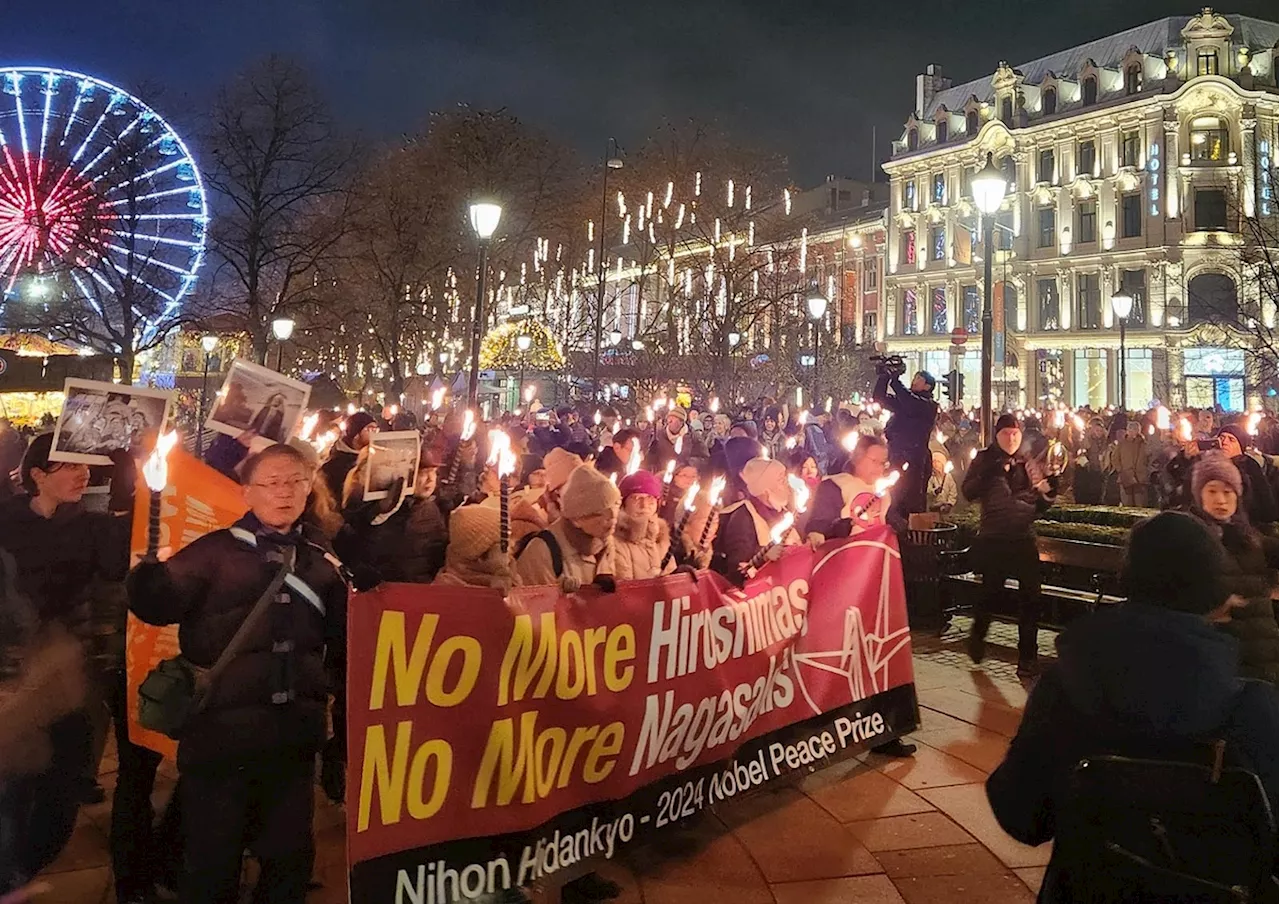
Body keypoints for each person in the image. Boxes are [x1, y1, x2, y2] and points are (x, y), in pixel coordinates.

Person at [986, 511, 1280, 904]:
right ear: (1212, 593)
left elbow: (1022, 816)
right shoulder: (1252, 709)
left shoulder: (1068, 685)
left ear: (1129, 576)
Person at [128, 443, 348, 904]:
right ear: (247, 493)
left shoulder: (321, 559)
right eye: (271, 483)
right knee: (212, 863)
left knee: (288, 859)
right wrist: (146, 577)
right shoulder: (212, 552)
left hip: (292, 740)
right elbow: (158, 607)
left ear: (309, 488)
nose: (284, 493)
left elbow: (348, 639)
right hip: (221, 741)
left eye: (294, 481)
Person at [0, 434, 132, 891]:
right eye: (69, 467)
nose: (83, 474)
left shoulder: (92, 526)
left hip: (70, 675)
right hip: (13, 675)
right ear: (37, 475)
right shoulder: (6, 522)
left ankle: (24, 867)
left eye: (85, 467)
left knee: (64, 788)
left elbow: (127, 560)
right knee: (13, 783)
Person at [962, 413, 1056, 677]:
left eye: (1016, 434)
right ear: (997, 435)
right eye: (1006, 434)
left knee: (1030, 598)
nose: (1012, 439)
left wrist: (1050, 491)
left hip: (1022, 537)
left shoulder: (1028, 463)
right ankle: (978, 636)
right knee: (991, 593)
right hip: (995, 537)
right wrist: (990, 474)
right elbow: (968, 491)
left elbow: (1042, 502)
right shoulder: (984, 459)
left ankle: (1028, 656)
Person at [1188, 452, 1280, 684]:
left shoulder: (1250, 536)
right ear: (1199, 495)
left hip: (1264, 654)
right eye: (1212, 491)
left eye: (1227, 492)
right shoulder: (1192, 538)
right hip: (1222, 655)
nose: (1221, 500)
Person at [515, 464, 619, 592]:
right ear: (577, 519)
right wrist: (562, 595)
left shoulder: (605, 544)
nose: (613, 517)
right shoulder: (543, 550)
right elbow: (532, 604)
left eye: (614, 507)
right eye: (600, 513)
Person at [712, 457, 796, 585]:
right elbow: (737, 570)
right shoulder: (743, 518)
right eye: (781, 481)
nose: (787, 486)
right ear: (765, 487)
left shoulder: (782, 512)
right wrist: (764, 557)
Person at [873, 366, 938, 518]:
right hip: (895, 455)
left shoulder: (928, 405)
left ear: (927, 385)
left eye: (918, 379)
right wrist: (884, 377)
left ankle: (914, 535)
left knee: (912, 501)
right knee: (893, 498)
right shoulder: (905, 401)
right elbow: (880, 398)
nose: (914, 381)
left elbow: (910, 403)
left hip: (914, 459)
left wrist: (895, 380)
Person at [806, 434, 893, 544]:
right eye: (874, 461)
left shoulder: (884, 491)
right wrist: (822, 531)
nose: (879, 468)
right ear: (858, 458)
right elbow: (820, 523)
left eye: (882, 463)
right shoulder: (835, 486)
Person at [612, 471, 676, 581]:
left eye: (650, 499)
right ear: (623, 503)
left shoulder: (661, 540)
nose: (644, 505)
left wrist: (679, 575)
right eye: (636, 498)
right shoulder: (613, 541)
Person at [434, 504, 513, 590]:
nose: (510, 546)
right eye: (498, 543)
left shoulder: (507, 574)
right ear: (479, 552)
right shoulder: (449, 589)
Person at [1216, 424, 1279, 527]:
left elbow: (1266, 507)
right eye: (1221, 438)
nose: (1224, 442)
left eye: (1231, 440)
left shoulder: (1249, 465)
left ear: (1241, 447)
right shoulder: (1209, 464)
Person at [320, 411, 377, 502]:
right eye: (370, 429)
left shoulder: (376, 457)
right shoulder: (335, 465)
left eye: (376, 429)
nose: (375, 434)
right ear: (356, 434)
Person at [1108, 419, 1149, 507]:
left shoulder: (1144, 444)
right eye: (1131, 429)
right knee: (1127, 504)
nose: (1133, 432)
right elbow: (1115, 458)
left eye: (1135, 429)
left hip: (1140, 479)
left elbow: (1149, 458)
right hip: (1125, 478)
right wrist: (1121, 470)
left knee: (1140, 505)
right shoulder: (1122, 444)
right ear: (1127, 431)